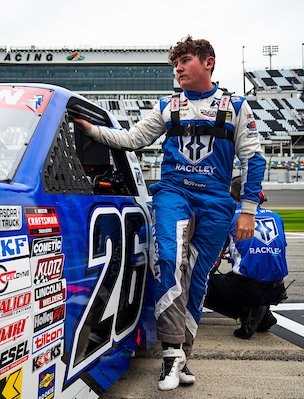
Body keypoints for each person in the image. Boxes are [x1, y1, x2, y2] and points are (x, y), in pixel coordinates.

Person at [72, 36, 266, 391]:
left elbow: (253, 160)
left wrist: (247, 211)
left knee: (196, 277)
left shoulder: (236, 106)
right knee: (169, 261)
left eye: (185, 61)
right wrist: (92, 130)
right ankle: (171, 353)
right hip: (173, 195)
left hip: (217, 203)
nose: (177, 69)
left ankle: (182, 355)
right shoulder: (167, 105)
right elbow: (132, 139)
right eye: (175, 64)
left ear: (208, 63)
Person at [205, 177, 288, 339]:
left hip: (250, 288)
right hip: (278, 288)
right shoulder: (276, 217)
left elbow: (214, 261)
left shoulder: (231, 218)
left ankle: (247, 311)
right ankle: (262, 314)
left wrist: (206, 276)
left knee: (197, 284)